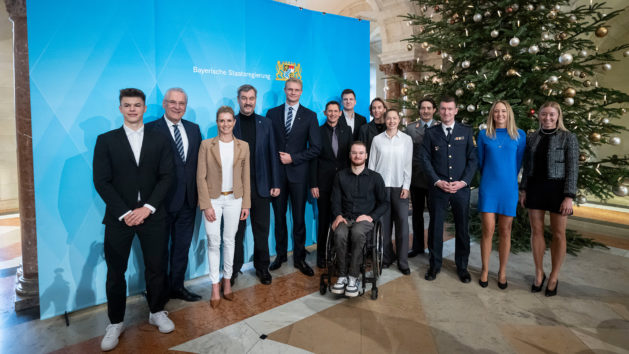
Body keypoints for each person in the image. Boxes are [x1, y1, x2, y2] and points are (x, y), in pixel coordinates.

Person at [93, 88, 175, 351]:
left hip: (153, 216)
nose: (132, 109)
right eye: (127, 105)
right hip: (120, 219)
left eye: (137, 105)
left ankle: (157, 311)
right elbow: (101, 181)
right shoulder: (106, 140)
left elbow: (167, 177)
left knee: (156, 266)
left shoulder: (160, 139)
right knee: (116, 273)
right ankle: (115, 322)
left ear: (144, 108)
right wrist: (126, 212)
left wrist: (148, 208)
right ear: (120, 109)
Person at [145, 88, 202, 302]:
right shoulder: (150, 129)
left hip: (188, 201)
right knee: (158, 252)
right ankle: (157, 293)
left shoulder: (194, 129)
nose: (177, 107)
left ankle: (177, 287)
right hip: (160, 203)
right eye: (173, 102)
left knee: (181, 249)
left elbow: (197, 166)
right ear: (164, 104)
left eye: (182, 103)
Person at [519, 101, 578, 297]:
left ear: (558, 116)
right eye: (544, 114)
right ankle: (539, 273)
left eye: (551, 115)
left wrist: (569, 196)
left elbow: (573, 168)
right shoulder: (532, 137)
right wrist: (524, 189)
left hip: (558, 189)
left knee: (558, 233)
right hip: (535, 187)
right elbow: (527, 167)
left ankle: (554, 276)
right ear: (539, 116)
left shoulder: (568, 138)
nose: (547, 118)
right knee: (536, 231)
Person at [197, 106, 251, 308]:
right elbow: (200, 177)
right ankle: (214, 285)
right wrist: (206, 205)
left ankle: (227, 281)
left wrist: (246, 203)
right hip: (213, 200)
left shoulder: (243, 146)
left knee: (230, 241)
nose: (225, 124)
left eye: (229, 120)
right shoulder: (206, 145)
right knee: (213, 241)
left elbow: (246, 177)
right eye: (221, 120)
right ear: (217, 122)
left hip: (235, 200)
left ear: (234, 122)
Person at [267, 78, 321, 276]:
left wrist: (294, 158)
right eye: (289, 89)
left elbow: (316, 148)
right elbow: (268, 145)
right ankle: (280, 255)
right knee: (279, 218)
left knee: (299, 219)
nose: (292, 92)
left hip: (299, 175)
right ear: (284, 90)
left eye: (296, 90)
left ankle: (299, 258)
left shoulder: (310, 116)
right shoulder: (271, 114)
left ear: (301, 92)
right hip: (278, 177)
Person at [420, 95, 477, 283]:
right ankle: (434, 266)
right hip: (438, 189)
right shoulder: (431, 133)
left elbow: (472, 159)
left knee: (462, 229)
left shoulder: (466, 131)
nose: (446, 112)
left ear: (456, 110)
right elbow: (425, 159)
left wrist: (464, 182)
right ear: (439, 111)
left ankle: (462, 267)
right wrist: (436, 181)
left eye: (450, 109)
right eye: (443, 109)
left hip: (460, 189)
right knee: (435, 228)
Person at [232, 84, 281, 286]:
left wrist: (275, 182)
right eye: (244, 98)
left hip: (261, 187)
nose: (248, 102)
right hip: (237, 189)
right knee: (236, 232)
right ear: (238, 100)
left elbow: (272, 154)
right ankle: (233, 270)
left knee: (261, 231)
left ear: (256, 99)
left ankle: (262, 268)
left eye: (251, 98)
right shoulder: (230, 123)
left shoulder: (266, 123)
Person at [477, 101, 526, 289]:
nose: (500, 114)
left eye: (503, 111)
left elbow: (518, 162)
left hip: (509, 188)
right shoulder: (484, 135)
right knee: (488, 230)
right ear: (492, 114)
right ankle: (484, 270)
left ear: (509, 113)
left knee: (505, 231)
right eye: (496, 111)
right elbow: (481, 162)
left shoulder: (519, 136)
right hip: (489, 187)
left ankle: (502, 271)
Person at [330, 141, 388, 297]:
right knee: (340, 234)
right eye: (354, 152)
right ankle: (342, 276)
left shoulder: (375, 178)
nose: (357, 156)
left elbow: (384, 203)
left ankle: (353, 277)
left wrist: (370, 216)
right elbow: (335, 200)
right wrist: (338, 215)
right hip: (345, 218)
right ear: (350, 155)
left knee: (357, 233)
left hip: (364, 220)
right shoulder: (340, 176)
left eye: (361, 153)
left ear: (366, 156)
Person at [368, 108, 413, 275]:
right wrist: (371, 187)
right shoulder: (377, 140)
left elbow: (408, 165)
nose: (392, 121)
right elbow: (371, 165)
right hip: (381, 188)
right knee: (383, 225)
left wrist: (407, 186)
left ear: (399, 120)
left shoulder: (406, 140)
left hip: (399, 187)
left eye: (395, 118)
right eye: (389, 118)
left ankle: (403, 261)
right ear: (385, 120)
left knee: (402, 224)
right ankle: (386, 258)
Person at [310, 101, 352, 268]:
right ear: (325, 112)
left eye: (336, 111)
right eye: (330, 111)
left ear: (340, 113)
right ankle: (322, 255)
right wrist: (313, 184)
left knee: (341, 219)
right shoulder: (317, 132)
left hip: (343, 183)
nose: (333, 114)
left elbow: (350, 157)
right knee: (323, 220)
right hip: (323, 184)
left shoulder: (347, 131)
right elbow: (313, 159)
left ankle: (339, 253)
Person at [406, 97, 438, 258]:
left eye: (429, 108)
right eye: (423, 108)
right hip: (416, 178)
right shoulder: (411, 128)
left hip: (435, 180)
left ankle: (433, 248)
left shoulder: (440, 127)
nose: (425, 111)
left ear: (434, 110)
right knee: (417, 215)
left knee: (434, 215)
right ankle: (417, 246)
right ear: (419, 110)